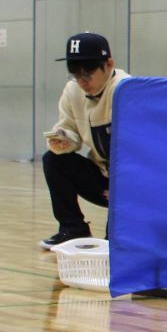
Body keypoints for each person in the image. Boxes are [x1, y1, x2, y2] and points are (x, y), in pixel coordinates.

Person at [41, 32, 131, 249]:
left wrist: (120, 186)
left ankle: (120, 235)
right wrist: (64, 140)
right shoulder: (73, 91)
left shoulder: (125, 90)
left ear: (109, 64)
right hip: (102, 176)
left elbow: (139, 151)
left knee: (114, 247)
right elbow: (68, 128)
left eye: (87, 74)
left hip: (130, 182)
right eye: (75, 75)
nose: (82, 82)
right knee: (53, 160)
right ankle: (72, 229)